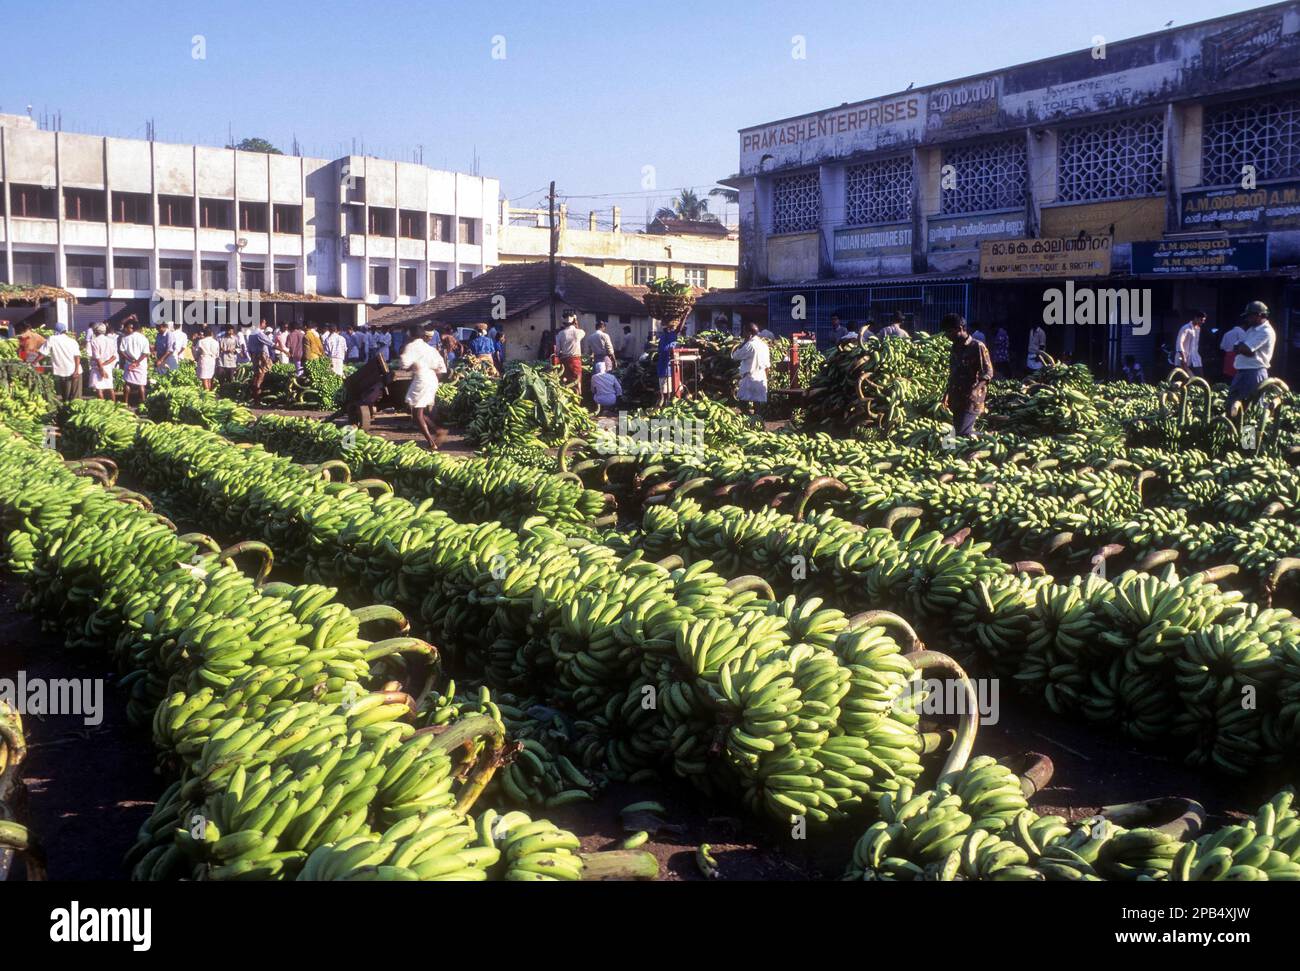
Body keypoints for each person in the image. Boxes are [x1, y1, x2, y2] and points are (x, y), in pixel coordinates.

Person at [940, 313, 994, 438]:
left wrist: (975, 390)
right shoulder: (955, 347)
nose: (946, 336)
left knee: (962, 432)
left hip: (972, 398)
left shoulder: (977, 346)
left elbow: (988, 373)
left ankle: (988, 439)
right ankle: (984, 438)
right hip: (957, 397)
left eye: (949, 332)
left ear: (960, 328)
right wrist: (947, 393)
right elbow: (953, 373)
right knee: (959, 431)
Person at [399, 324, 447, 450]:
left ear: (412, 335)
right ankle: (437, 431)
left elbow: (404, 364)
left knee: (417, 414)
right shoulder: (430, 349)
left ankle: (432, 442)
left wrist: (412, 366)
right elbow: (441, 367)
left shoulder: (411, 346)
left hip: (421, 378)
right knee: (417, 411)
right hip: (432, 378)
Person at [1226, 301, 1276, 414]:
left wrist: (1244, 349)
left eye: (1249, 316)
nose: (1247, 319)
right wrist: (1243, 349)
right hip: (1242, 372)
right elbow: (1237, 346)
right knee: (1231, 405)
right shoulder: (1251, 329)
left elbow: (1246, 349)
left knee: (1250, 410)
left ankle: (1250, 432)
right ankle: (1234, 431)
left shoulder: (1266, 331)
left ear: (1258, 315)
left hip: (1254, 373)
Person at [731, 321, 772, 412]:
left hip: (749, 378)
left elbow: (735, 356)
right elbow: (767, 366)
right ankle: (758, 423)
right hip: (761, 378)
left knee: (742, 403)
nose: (743, 334)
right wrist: (766, 378)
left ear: (749, 333)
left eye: (744, 331)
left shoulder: (749, 345)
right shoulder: (764, 345)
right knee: (758, 406)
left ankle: (747, 421)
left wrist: (744, 342)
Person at [41, 321, 83, 403]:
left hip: (63, 371)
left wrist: (34, 362)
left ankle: (66, 411)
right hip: (75, 371)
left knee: (66, 396)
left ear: (56, 330)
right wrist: (76, 371)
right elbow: (77, 356)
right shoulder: (72, 341)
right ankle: (72, 412)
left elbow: (43, 353)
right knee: (75, 397)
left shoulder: (52, 339)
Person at [119, 319, 151, 406]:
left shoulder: (125, 338)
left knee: (128, 383)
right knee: (141, 384)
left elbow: (121, 352)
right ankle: (143, 403)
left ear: (132, 328)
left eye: (127, 328)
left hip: (130, 364)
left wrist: (131, 360)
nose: (125, 329)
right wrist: (137, 362)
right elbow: (145, 353)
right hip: (141, 364)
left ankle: (125, 402)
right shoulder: (143, 338)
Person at [87, 322, 118, 402]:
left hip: (98, 367)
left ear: (95, 331)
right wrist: (105, 364)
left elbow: (97, 357)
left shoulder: (95, 341)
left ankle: (103, 405)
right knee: (109, 387)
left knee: (99, 388)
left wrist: (101, 368)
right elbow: (114, 356)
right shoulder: (111, 341)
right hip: (107, 366)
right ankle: (114, 405)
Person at [248, 320, 276, 405]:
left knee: (256, 377)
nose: (265, 324)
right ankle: (257, 399)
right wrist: (285, 351)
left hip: (254, 356)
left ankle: (256, 398)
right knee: (260, 377)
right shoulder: (259, 334)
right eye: (264, 323)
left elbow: (249, 347)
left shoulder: (251, 334)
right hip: (260, 356)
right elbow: (271, 344)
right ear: (260, 323)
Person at [555, 313, 584, 388]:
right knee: (577, 380)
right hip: (576, 360)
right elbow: (580, 331)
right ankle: (578, 395)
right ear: (574, 322)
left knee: (566, 381)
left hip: (565, 361)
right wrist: (576, 323)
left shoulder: (560, 334)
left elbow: (557, 351)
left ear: (564, 323)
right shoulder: (579, 332)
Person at [655, 321, 680, 407]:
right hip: (665, 369)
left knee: (670, 392)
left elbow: (678, 329)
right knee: (666, 393)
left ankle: (667, 406)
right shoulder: (667, 337)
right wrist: (685, 315)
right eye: (672, 328)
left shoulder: (670, 337)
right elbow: (678, 329)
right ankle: (665, 407)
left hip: (670, 368)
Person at [1175, 311, 1205, 376]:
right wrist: (1183, 357)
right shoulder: (1186, 328)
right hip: (1184, 358)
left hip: (1195, 359)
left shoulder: (1198, 329)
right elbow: (1179, 343)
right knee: (1183, 379)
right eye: (1201, 320)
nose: (1203, 322)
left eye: (1203, 320)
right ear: (1196, 318)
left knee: (1199, 379)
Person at [195, 325, 220, 391]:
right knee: (209, 377)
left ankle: (207, 394)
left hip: (204, 359)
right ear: (211, 333)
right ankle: (209, 392)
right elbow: (217, 354)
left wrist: (196, 358)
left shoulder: (201, 341)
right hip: (212, 360)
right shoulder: (216, 342)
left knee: (204, 378)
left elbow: (196, 352)